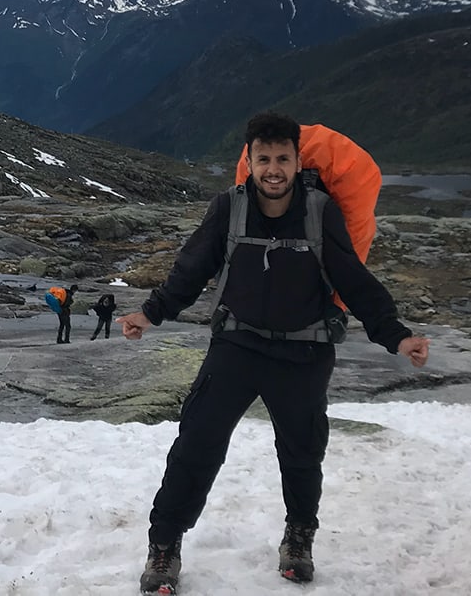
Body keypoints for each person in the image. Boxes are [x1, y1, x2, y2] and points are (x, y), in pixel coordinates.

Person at [119, 112, 429, 593]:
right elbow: (192, 267)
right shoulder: (229, 207)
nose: (273, 169)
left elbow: (352, 278)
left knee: (302, 454)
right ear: (250, 160)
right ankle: (164, 547)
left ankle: (299, 538)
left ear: (297, 160)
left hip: (304, 353)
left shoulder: (321, 211)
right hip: (237, 345)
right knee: (196, 446)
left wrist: (396, 334)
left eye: (282, 158)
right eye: (263, 158)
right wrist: (151, 312)